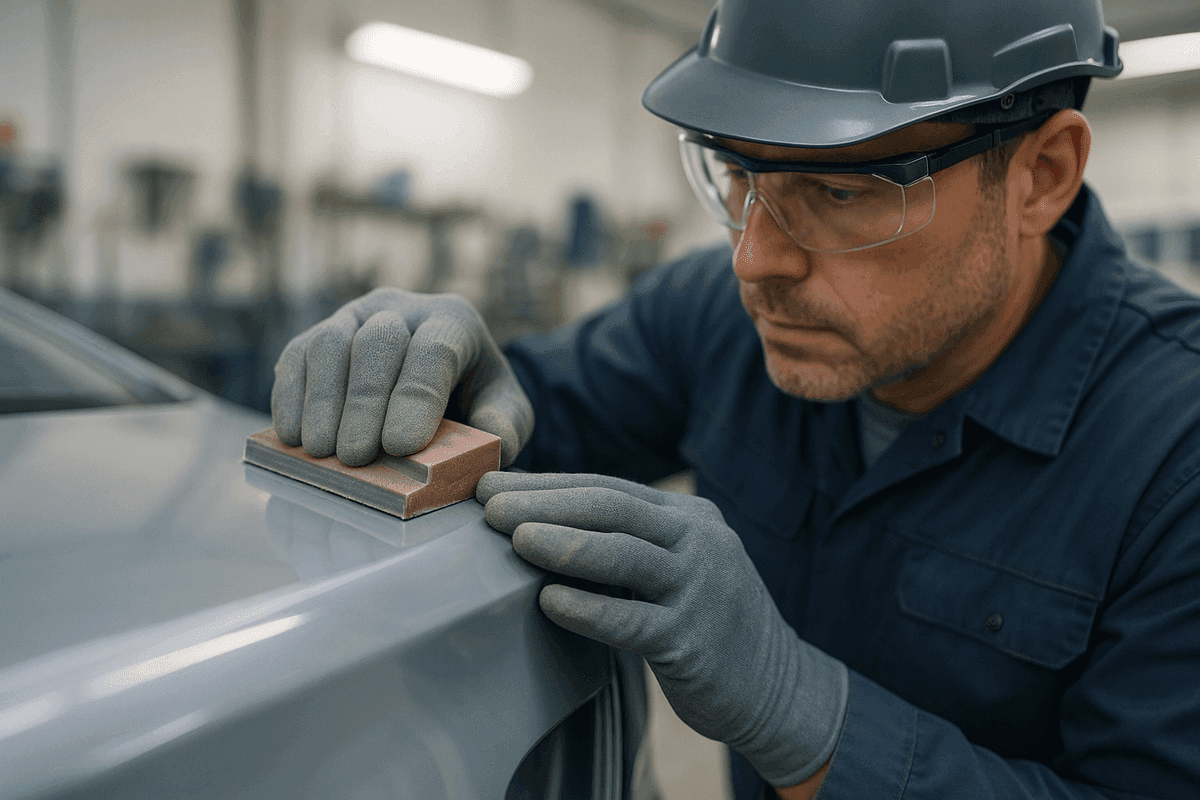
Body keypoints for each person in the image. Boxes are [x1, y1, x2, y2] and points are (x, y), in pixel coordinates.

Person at [270, 1, 1200, 797]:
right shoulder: (711, 319)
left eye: (842, 192)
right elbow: (520, 418)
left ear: (1041, 176)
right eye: (740, 175)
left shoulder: (1175, 453)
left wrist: (813, 720)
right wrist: (434, 381)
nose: (755, 262)